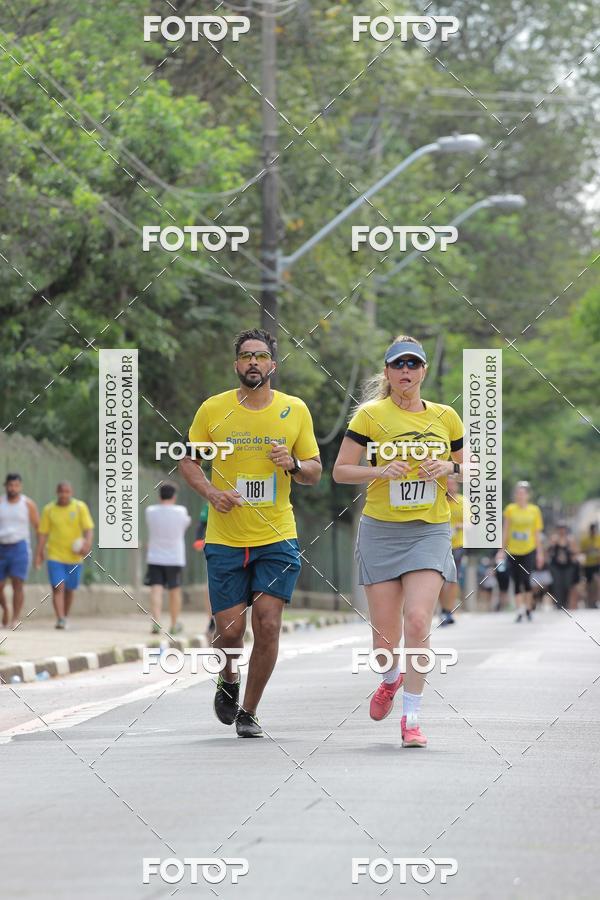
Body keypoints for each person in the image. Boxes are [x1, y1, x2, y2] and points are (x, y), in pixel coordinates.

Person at [179, 328, 322, 738]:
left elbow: (314, 471)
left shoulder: (294, 410)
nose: (253, 362)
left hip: (277, 537)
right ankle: (228, 677)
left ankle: (250, 711)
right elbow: (187, 461)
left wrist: (292, 464)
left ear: (273, 364)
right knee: (229, 632)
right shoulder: (213, 409)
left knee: (268, 624)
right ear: (236, 364)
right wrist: (210, 492)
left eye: (260, 356)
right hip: (226, 537)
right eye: (246, 356)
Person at [333, 335, 464, 749]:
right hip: (382, 531)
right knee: (384, 642)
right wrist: (379, 472)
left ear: (424, 371)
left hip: (429, 529)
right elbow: (340, 471)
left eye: (413, 364)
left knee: (419, 622)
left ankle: (412, 718)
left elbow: (473, 468)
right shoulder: (371, 415)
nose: (406, 372)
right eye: (398, 365)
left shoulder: (446, 416)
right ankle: (389, 680)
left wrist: (448, 466)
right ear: (387, 373)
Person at [35, 482, 94, 629]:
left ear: (71, 492)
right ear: (57, 493)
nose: (64, 495)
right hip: (55, 555)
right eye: (61, 492)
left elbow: (88, 528)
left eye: (67, 492)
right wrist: (39, 552)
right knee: (58, 587)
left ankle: (65, 616)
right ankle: (60, 618)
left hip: (75, 557)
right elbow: (43, 533)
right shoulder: (49, 510)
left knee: (70, 589)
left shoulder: (80, 507)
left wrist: (87, 544)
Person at [145, 483, 191, 635]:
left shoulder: (150, 511)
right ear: (174, 496)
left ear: (159, 496)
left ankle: (156, 622)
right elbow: (185, 525)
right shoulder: (181, 511)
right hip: (175, 558)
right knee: (174, 591)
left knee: (156, 589)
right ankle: (174, 623)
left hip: (155, 556)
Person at [497, 482, 543, 623]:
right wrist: (501, 550)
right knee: (516, 580)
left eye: (523, 493)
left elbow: (536, 533)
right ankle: (519, 610)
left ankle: (529, 608)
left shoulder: (534, 510)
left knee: (526, 579)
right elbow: (506, 530)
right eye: (518, 493)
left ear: (528, 495)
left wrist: (540, 552)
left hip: (528, 549)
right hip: (513, 550)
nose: (520, 496)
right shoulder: (510, 509)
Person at [0, 473, 39, 628]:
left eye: (16, 485)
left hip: (20, 547)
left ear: (20, 486)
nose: (13, 488)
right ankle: (5, 608)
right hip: (2, 545)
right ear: (6, 486)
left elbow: (38, 527)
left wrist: (40, 552)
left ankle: (15, 618)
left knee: (18, 584)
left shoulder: (27, 504)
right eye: (10, 485)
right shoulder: (1, 503)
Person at [438, 473, 464, 626]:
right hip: (440, 544)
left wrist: (460, 526)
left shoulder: (462, 502)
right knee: (440, 579)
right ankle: (443, 609)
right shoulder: (439, 499)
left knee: (452, 578)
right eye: (447, 483)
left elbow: (472, 523)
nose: (450, 486)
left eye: (452, 483)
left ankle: (449, 610)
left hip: (457, 545)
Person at [193, 503, 215, 636]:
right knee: (211, 586)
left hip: (245, 548)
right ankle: (212, 620)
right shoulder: (211, 503)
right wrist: (198, 540)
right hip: (217, 548)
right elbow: (201, 525)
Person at [547, 522, 579, 610]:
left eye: (563, 528)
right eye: (560, 528)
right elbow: (548, 551)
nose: (562, 530)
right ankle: (558, 604)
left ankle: (566, 602)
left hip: (568, 566)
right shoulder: (554, 538)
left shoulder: (570, 539)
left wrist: (573, 555)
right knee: (557, 584)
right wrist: (552, 544)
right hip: (556, 566)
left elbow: (576, 551)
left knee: (567, 584)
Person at [580, 522, 600, 609]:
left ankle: (595, 600)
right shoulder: (585, 540)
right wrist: (588, 550)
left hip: (597, 564)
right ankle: (588, 601)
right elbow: (581, 551)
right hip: (588, 564)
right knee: (588, 584)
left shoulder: (598, 538)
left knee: (597, 582)